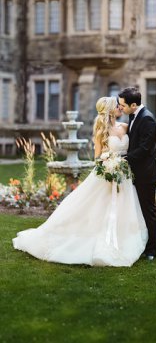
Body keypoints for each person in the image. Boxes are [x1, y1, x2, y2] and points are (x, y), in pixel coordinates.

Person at [12, 97, 148, 267]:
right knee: (96, 209)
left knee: (124, 208)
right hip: (107, 174)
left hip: (124, 176)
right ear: (109, 110)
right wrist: (109, 166)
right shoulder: (101, 130)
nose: (120, 107)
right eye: (117, 106)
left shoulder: (126, 127)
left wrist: (121, 165)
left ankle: (124, 238)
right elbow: (97, 157)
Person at [118, 87, 156, 261]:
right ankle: (140, 243)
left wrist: (124, 158)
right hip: (133, 171)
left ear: (133, 105)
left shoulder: (148, 120)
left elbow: (144, 148)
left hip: (145, 173)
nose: (121, 108)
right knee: (135, 210)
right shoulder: (133, 115)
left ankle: (152, 250)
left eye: (123, 105)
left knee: (148, 211)